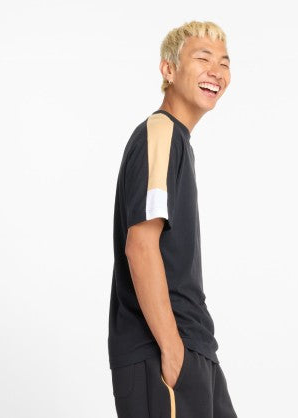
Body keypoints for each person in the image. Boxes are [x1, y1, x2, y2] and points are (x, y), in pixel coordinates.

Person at [108, 20, 237, 417]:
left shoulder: (176, 140)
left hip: (194, 344)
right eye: (203, 58)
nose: (216, 71)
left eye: (224, 62)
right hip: (163, 349)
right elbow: (140, 245)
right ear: (168, 69)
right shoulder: (160, 132)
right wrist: (171, 347)